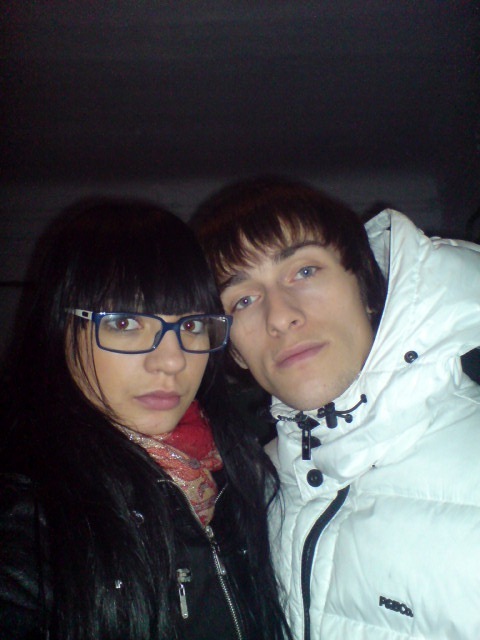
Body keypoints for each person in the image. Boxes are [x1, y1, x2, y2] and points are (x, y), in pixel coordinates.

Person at [192, 176, 480, 640]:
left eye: (304, 271)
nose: (280, 315)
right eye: (243, 299)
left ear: (366, 289)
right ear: (236, 353)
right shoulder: (252, 491)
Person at [0, 197, 292, 640]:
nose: (172, 360)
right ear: (61, 329)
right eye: (125, 323)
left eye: (192, 326)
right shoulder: (30, 514)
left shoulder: (245, 473)